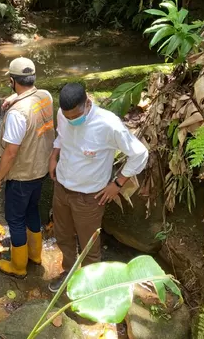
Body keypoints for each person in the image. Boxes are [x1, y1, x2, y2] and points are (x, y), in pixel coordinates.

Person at [47, 83, 148, 292]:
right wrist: (54, 155)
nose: (72, 121)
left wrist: (118, 184)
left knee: (89, 245)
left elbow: (139, 154)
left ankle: (89, 286)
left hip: (89, 196)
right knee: (63, 235)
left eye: (76, 116)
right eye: (68, 118)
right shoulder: (63, 114)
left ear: (87, 104)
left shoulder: (109, 125)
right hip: (62, 187)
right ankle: (69, 272)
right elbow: (61, 136)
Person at [0, 57, 55, 279]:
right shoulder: (45, 96)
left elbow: (11, 152)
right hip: (41, 169)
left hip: (21, 175)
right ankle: (35, 256)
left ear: (12, 80)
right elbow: (31, 97)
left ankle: (18, 266)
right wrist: (15, 97)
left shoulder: (18, 114)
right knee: (32, 210)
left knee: (15, 219)